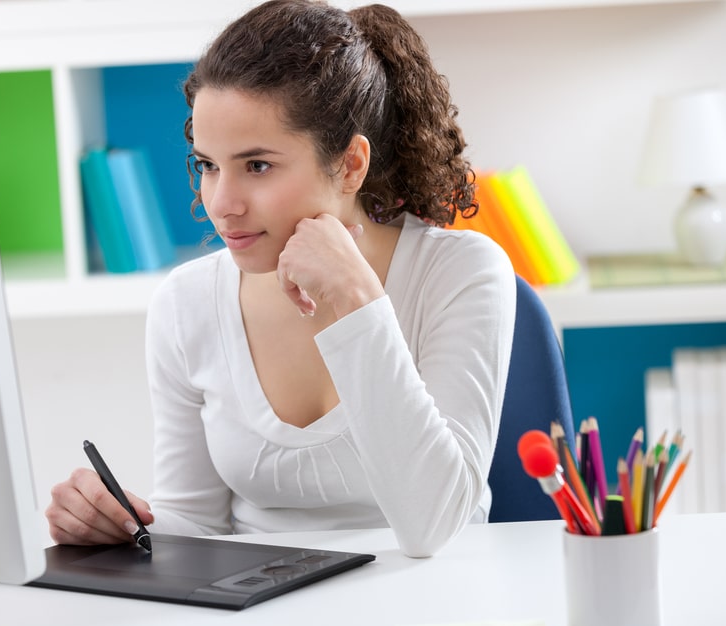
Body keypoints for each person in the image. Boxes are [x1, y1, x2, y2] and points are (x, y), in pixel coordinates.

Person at [45, 0, 516, 558]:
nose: (221, 205)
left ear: (349, 165)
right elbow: (195, 521)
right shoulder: (186, 303)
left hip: (431, 616)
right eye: (208, 166)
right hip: (260, 622)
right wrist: (120, 525)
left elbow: (434, 525)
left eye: (257, 166)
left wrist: (358, 299)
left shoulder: (460, 273)